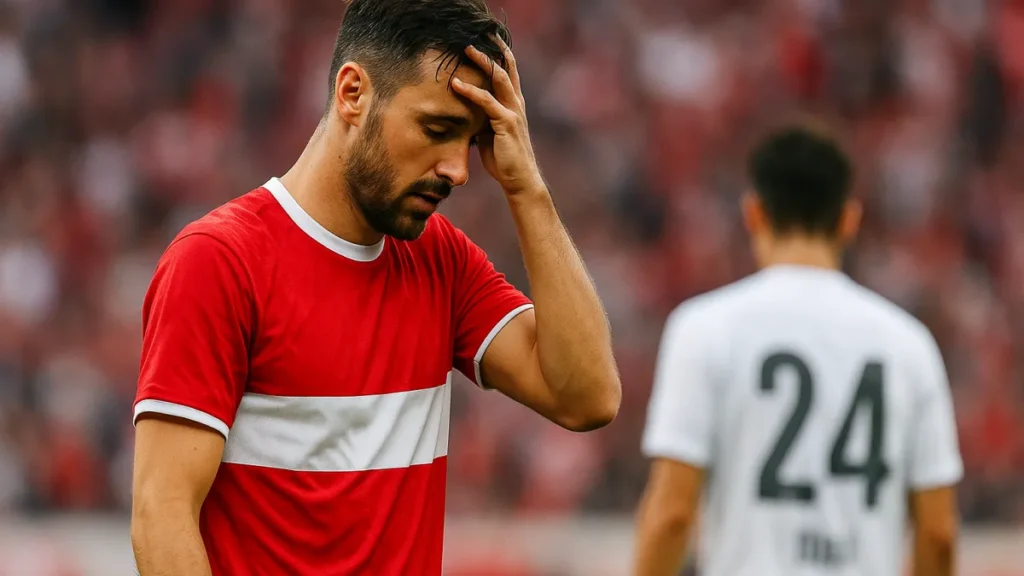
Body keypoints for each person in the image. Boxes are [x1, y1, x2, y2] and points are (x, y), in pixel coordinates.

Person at [129, 1, 621, 574]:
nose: (459, 170)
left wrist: (527, 187)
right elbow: (161, 514)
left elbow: (587, 398)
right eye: (437, 130)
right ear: (353, 93)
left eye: (470, 141)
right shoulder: (219, 261)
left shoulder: (440, 258)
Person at [633, 125, 962, 576]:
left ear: (754, 213)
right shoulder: (909, 344)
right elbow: (938, 532)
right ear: (848, 219)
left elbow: (672, 512)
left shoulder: (704, 328)